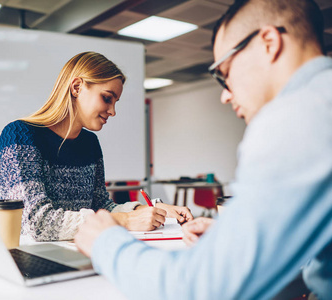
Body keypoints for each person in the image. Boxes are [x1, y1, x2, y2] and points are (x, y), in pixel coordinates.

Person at [74, 1, 332, 299]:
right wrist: (236, 241)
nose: (225, 94)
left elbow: (201, 288)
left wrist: (106, 244)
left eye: (224, 72)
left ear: (269, 43)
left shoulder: (297, 117)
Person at [0, 52, 193, 242]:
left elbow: (100, 205)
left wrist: (150, 210)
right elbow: (36, 222)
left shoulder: (89, 143)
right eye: (107, 98)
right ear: (76, 87)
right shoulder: (19, 135)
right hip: (33, 260)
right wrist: (124, 221)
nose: (112, 111)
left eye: (115, 102)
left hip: (82, 251)